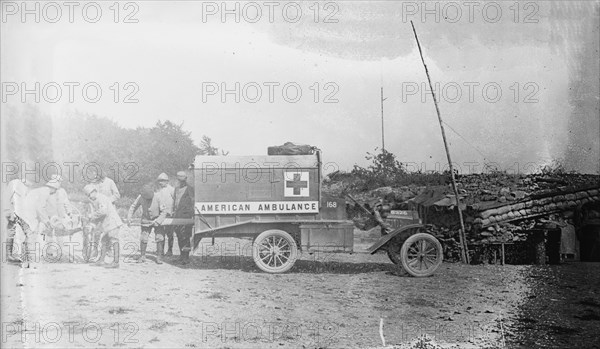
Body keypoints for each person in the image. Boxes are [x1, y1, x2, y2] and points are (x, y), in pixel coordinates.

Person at [4, 179, 60, 267]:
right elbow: (40, 207)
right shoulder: (46, 192)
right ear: (54, 189)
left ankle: (24, 259)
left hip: (23, 212)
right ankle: (29, 261)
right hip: (28, 214)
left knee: (26, 236)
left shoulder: (40, 190)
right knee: (31, 235)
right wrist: (46, 221)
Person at [84, 184, 122, 268]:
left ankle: (116, 262)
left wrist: (92, 216)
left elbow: (103, 212)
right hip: (107, 224)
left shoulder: (101, 198)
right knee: (104, 241)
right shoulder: (97, 199)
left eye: (89, 194)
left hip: (113, 222)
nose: (89, 197)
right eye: (87, 195)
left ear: (94, 191)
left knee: (114, 240)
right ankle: (101, 260)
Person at [149, 173, 174, 264]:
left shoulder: (172, 190)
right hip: (160, 214)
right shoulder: (157, 190)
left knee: (170, 233)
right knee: (160, 233)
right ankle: (161, 251)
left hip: (169, 214)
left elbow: (175, 201)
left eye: (162, 181)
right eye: (159, 181)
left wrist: (173, 210)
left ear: (167, 181)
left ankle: (170, 250)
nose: (160, 182)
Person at [127, 183, 155, 263]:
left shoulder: (157, 196)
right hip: (146, 219)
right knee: (143, 238)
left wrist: (159, 220)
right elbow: (133, 206)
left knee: (160, 237)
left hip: (157, 220)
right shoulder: (140, 197)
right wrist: (129, 217)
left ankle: (160, 255)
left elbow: (163, 209)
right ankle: (142, 255)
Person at [172, 171, 195, 265]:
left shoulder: (189, 189)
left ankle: (186, 257)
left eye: (183, 180)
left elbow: (193, 201)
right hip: (177, 215)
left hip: (186, 215)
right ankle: (181, 256)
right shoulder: (176, 189)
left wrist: (190, 212)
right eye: (179, 180)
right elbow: (174, 201)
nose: (181, 182)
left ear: (186, 179)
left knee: (186, 236)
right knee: (179, 236)